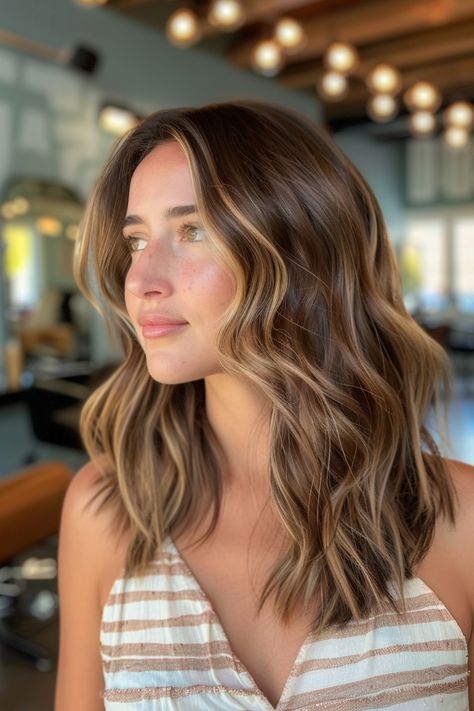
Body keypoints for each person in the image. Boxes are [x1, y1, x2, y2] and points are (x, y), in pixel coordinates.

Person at [54, 100, 473, 710]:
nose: (141, 277)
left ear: (302, 251)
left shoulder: (459, 520)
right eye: (137, 238)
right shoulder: (104, 513)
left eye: (192, 230)